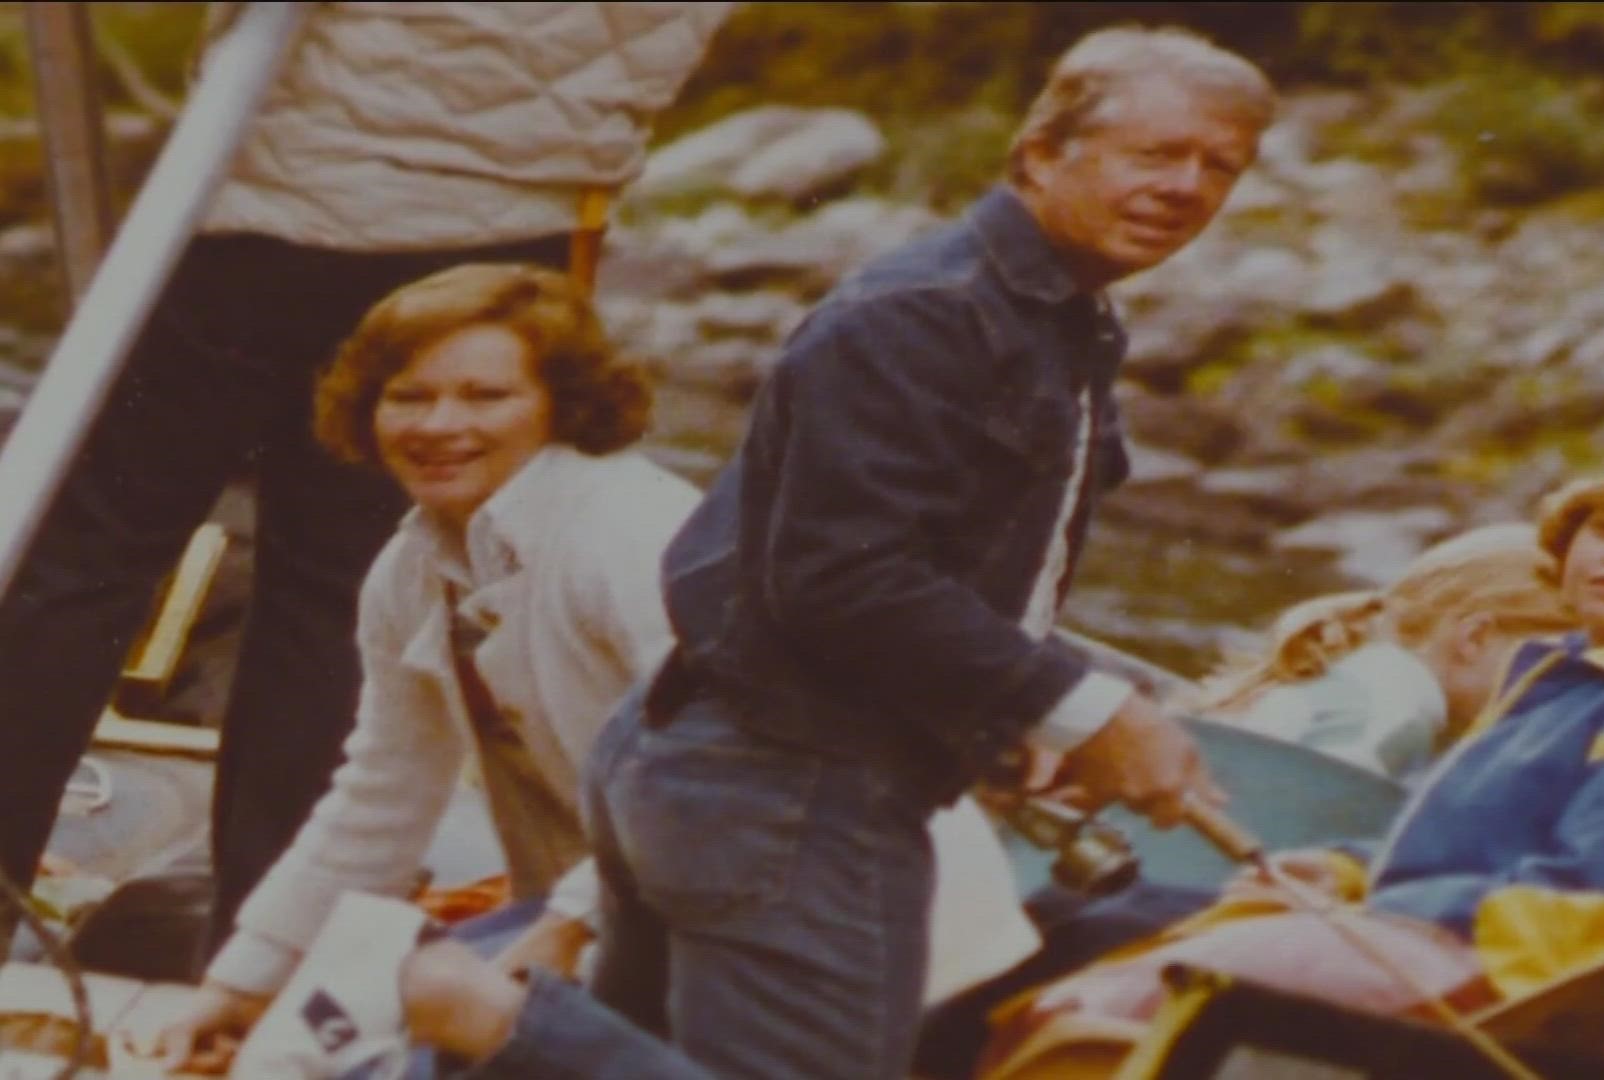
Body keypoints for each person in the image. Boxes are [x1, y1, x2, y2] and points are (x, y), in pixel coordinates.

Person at [125, 263, 1042, 1080]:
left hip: (838, 934)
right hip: (650, 914)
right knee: (327, 1024)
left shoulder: (629, 537)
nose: (440, 424)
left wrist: (553, 941)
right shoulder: (411, 571)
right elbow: (378, 800)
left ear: (561, 407)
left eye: (485, 397)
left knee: (431, 1024)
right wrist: (241, 986)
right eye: (408, 396)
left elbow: (716, 784)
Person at [577, 24, 1279, 1079]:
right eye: (1155, 153)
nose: (1187, 186)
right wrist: (1085, 707)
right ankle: (487, 1020)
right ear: (1041, 153)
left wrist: (1001, 721)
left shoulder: (1060, 317)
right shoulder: (924, 315)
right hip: (786, 786)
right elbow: (839, 577)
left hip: (728, 768)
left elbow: (927, 569)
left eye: (1218, 165)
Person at [0, 1, 731, 952]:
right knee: (339, 598)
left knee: (80, 553)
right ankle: (263, 949)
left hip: (286, 210)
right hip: (507, 237)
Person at [975, 435, 1604, 1077]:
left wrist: (1385, 899)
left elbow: (1591, 897)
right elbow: (1470, 851)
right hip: (1459, 939)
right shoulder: (1574, 681)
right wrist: (1346, 873)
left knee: (1123, 991)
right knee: (1086, 938)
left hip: (1543, 978)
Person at [1185, 523, 1580, 784]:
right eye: (1557, 671)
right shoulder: (1399, 710)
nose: (1564, 701)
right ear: (1474, 638)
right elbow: (1306, 825)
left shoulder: (1363, 670)